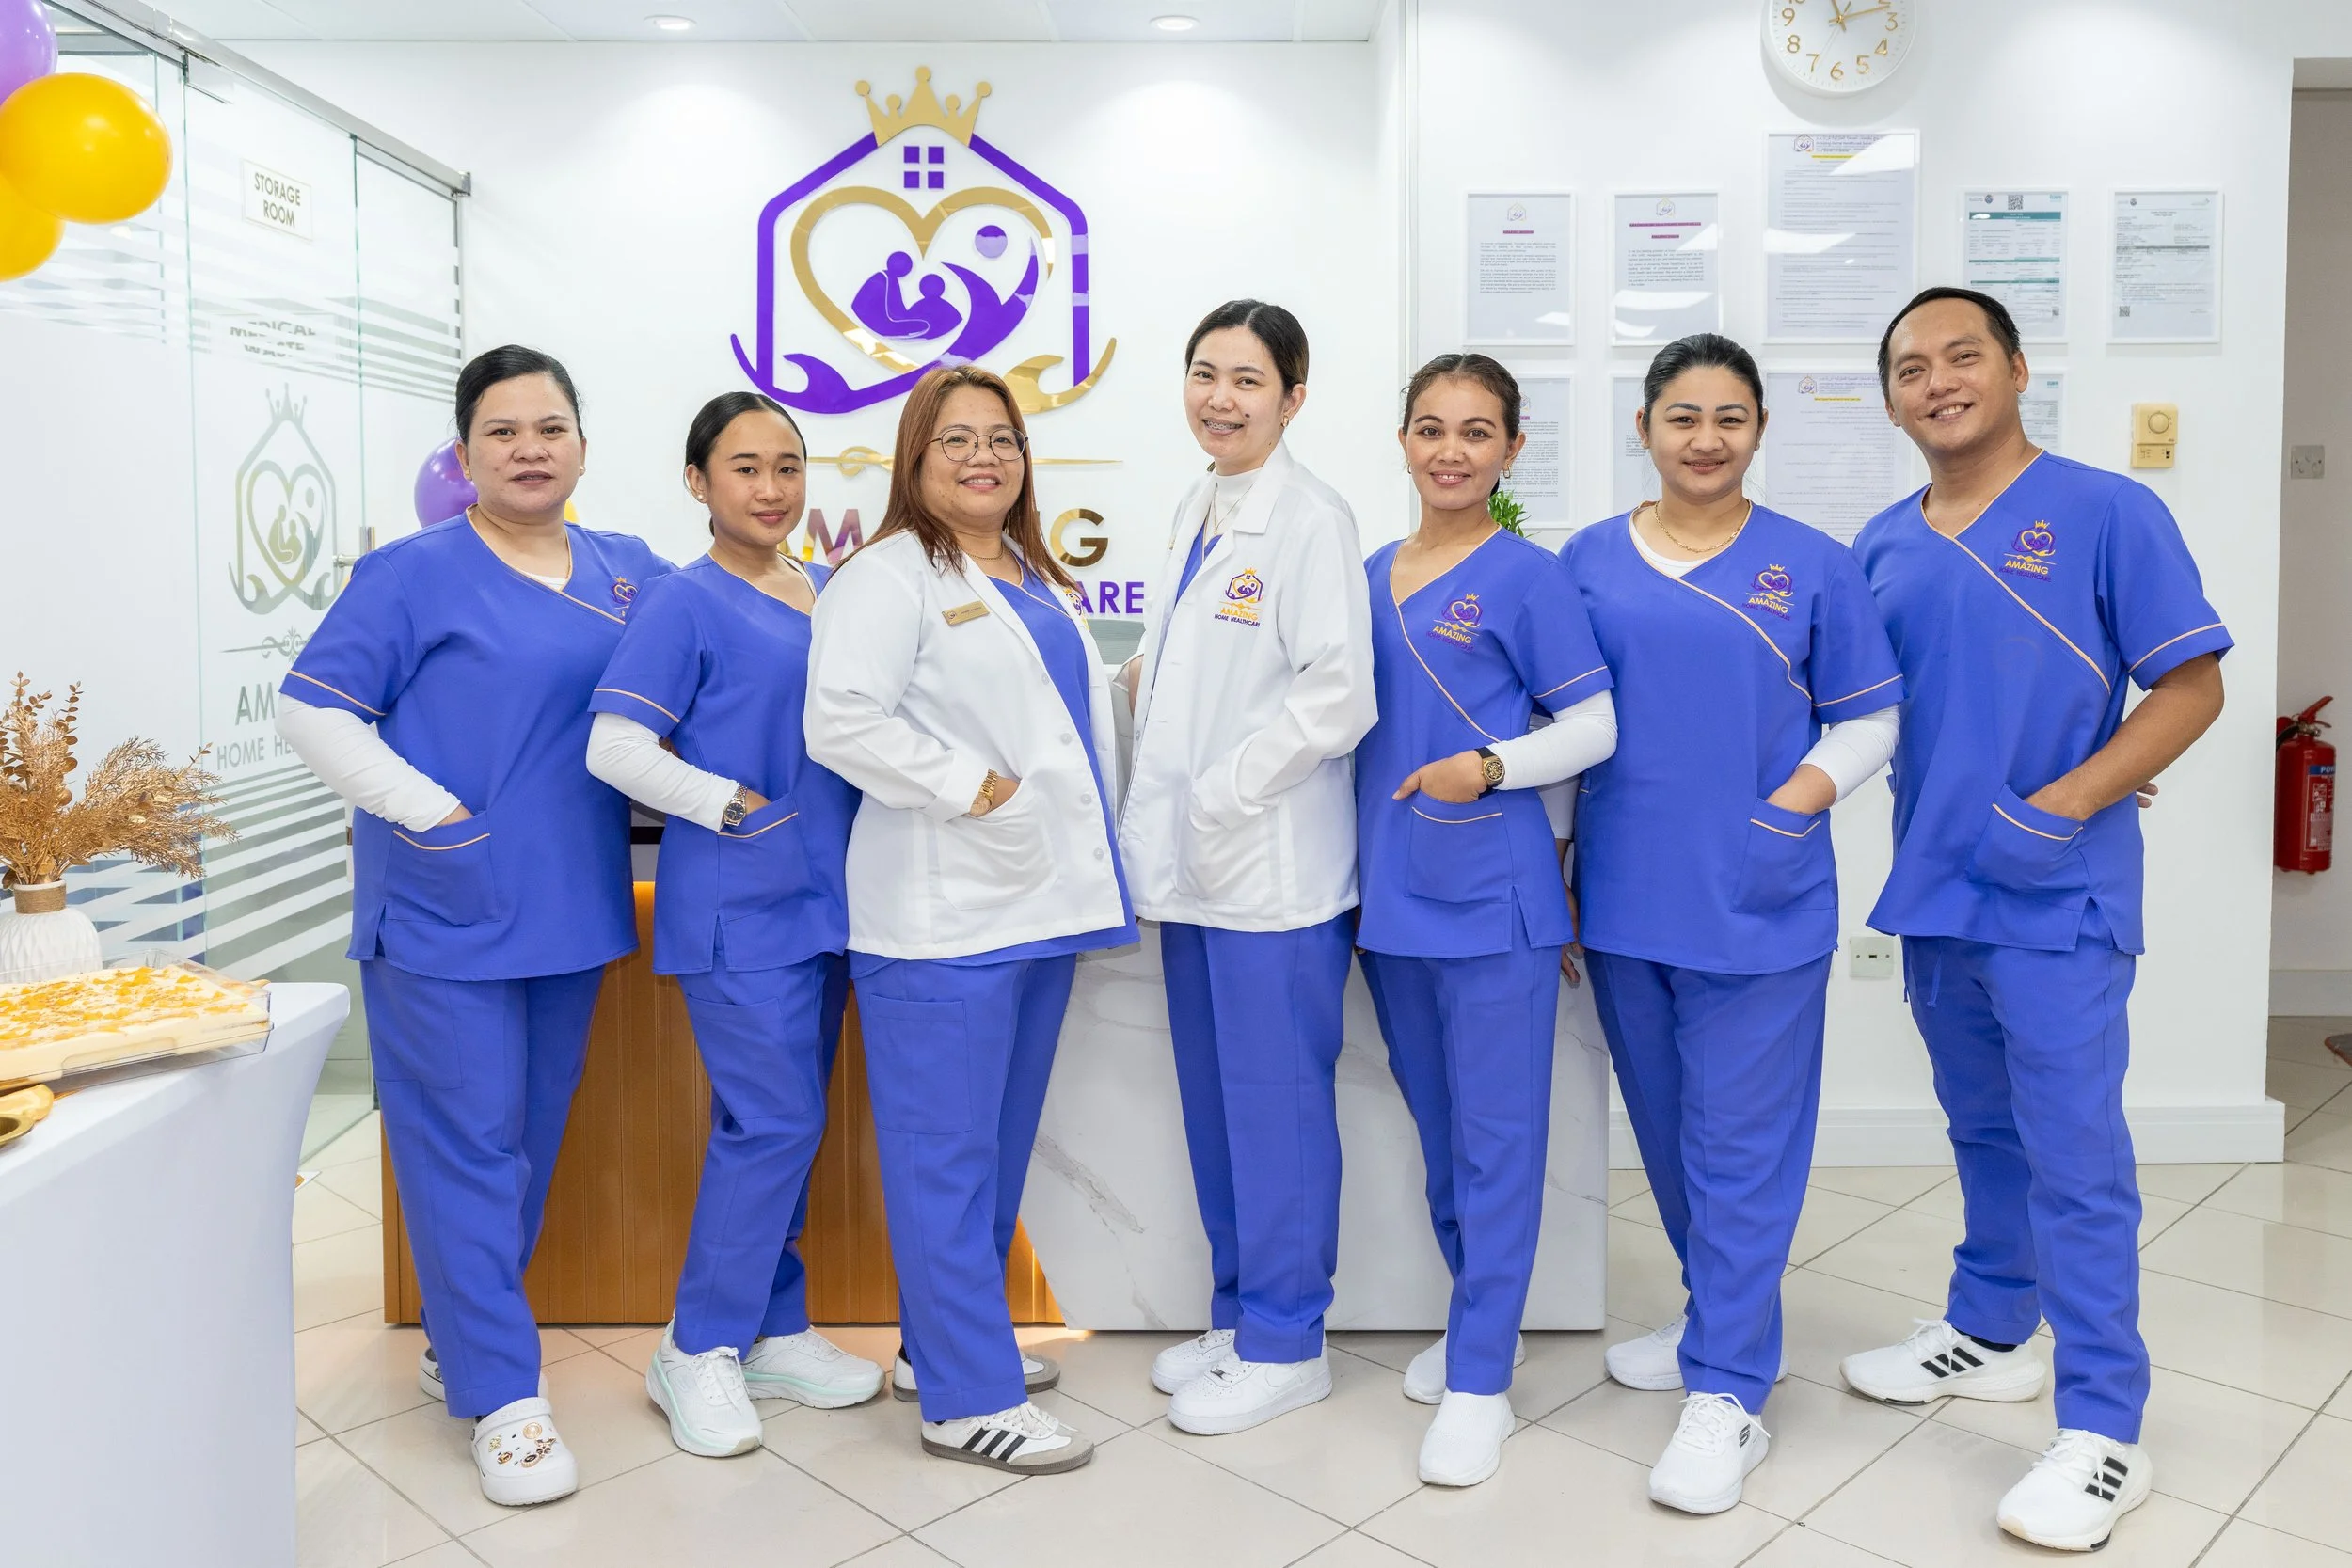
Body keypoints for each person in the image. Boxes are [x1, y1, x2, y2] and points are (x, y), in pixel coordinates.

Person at [1842, 287, 2229, 1552]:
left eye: (1964, 356)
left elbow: (2190, 681)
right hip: (1940, 887)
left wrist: (2067, 798)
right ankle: (1995, 1327)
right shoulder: (1883, 542)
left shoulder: (2109, 511)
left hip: (2055, 888)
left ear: (2016, 370)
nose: (1938, 380)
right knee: (1983, 1124)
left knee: (2076, 1153)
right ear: (1890, 396)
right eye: (1911, 366)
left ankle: (2106, 1423)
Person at [276, 346, 671, 1507]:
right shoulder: (410, 575)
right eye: (502, 432)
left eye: (551, 427)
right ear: (464, 456)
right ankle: (505, 1395)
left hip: (569, 904)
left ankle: (464, 1323)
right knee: (461, 1145)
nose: (529, 449)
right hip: (445, 903)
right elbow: (313, 709)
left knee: (526, 1143)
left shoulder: (627, 570)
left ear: (584, 447)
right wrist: (433, 814)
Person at [1564, 333, 1904, 1515]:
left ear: (1758, 430)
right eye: (1680, 417)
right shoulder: (1588, 561)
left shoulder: (1811, 564)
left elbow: (1869, 715)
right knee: (1663, 1129)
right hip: (1622, 893)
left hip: (1757, 891)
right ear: (1644, 430)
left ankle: (1729, 1388)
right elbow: (1560, 723)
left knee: (1743, 1142)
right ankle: (1716, 1310)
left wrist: (1790, 806)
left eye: (1728, 417)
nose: (1704, 438)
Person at [804, 363, 1134, 1475]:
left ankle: (942, 1340)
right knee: (943, 1159)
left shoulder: (1032, 575)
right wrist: (967, 786)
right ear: (914, 457)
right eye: (956, 440)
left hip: (1035, 907)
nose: (984, 456)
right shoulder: (883, 577)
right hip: (940, 916)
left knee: (988, 1156)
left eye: (1001, 437)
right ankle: (963, 1394)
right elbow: (837, 719)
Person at [584, 391, 882, 1458]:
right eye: (745, 467)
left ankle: (773, 1325)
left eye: (788, 466)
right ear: (698, 481)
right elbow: (615, 745)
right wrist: (728, 804)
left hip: (832, 896)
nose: (770, 488)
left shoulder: (829, 590)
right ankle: (696, 1343)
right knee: (774, 1120)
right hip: (740, 897)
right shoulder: (684, 602)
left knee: (793, 1120)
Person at [1356, 354, 1617, 1486]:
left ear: (1512, 450)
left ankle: (1478, 1381)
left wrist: (1490, 763)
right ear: (1403, 442)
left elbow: (1594, 724)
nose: (1449, 449)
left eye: (1476, 431)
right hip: (1387, 895)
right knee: (1444, 1142)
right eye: (1429, 427)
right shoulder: (1365, 572)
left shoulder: (1530, 577)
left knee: (1501, 1143)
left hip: (1491, 893)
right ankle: (1482, 1327)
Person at [1118, 300, 1376, 1435]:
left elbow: (1338, 693)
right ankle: (1235, 1315)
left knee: (1274, 1107)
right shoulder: (1198, 503)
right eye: (1203, 373)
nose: (1219, 397)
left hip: (1267, 872)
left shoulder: (1311, 519)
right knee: (1218, 1105)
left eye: (1247, 381)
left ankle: (1288, 1338)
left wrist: (1220, 790)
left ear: (1294, 398)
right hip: (1193, 873)